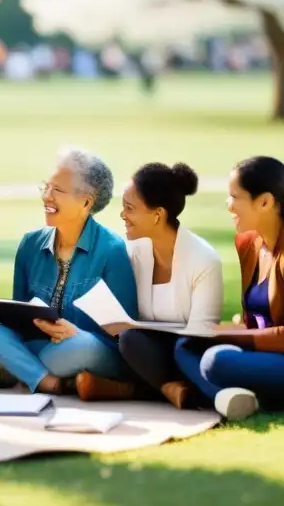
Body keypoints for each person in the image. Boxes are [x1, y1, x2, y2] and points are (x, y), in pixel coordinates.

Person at [173, 157, 284, 420]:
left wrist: (218, 336)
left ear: (264, 202)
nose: (228, 205)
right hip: (272, 353)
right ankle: (229, 398)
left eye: (235, 197)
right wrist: (208, 329)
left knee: (217, 360)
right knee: (183, 344)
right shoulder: (250, 244)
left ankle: (222, 393)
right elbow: (254, 323)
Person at [0, 147, 137, 394]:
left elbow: (125, 336)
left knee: (81, 347)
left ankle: (24, 371)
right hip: (40, 346)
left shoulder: (112, 250)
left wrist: (75, 333)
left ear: (86, 201)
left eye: (57, 190)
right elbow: (16, 317)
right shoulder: (29, 244)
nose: (47, 196)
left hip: (88, 349)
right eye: (46, 187)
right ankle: (52, 383)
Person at [80, 163, 224, 404]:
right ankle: (168, 389)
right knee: (126, 341)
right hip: (145, 353)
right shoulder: (133, 252)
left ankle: (137, 389)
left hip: (189, 354)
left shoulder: (204, 259)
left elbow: (202, 335)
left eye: (129, 208)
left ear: (158, 215)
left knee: (179, 352)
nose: (122, 215)